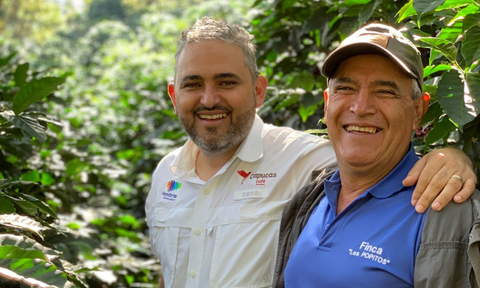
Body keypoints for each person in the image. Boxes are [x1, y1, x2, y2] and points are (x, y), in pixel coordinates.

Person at [145, 17, 477, 288]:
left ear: (259, 91)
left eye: (227, 82)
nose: (208, 99)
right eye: (192, 85)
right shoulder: (166, 175)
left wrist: (453, 158)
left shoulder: (303, 160)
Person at [275, 23, 480, 288]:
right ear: (327, 103)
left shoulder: (447, 209)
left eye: (385, 91)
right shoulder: (313, 197)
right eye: (346, 88)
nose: (360, 108)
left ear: (419, 110)